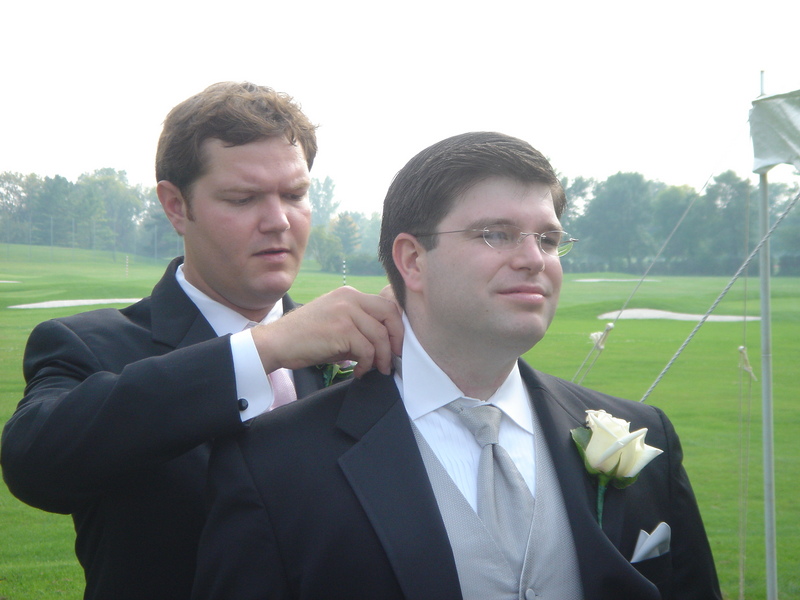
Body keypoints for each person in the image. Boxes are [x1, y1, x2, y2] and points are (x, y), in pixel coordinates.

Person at [192, 131, 722, 600]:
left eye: (549, 239)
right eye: (496, 233)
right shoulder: (272, 465)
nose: (534, 259)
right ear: (412, 260)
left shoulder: (643, 436)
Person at [0, 81, 402, 600]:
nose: (278, 220)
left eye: (295, 194)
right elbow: (36, 466)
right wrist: (262, 350)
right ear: (175, 206)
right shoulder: (88, 346)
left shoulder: (356, 348)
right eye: (243, 198)